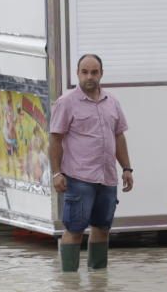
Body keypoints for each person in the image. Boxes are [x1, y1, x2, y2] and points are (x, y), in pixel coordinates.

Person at [49, 53, 133, 272]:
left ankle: (98, 282)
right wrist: (57, 173)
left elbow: (119, 136)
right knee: (74, 229)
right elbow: (55, 139)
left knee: (102, 228)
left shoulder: (112, 102)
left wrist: (127, 168)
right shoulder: (66, 102)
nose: (89, 77)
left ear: (101, 74)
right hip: (79, 177)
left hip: (107, 177)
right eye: (85, 72)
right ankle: (70, 285)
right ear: (77, 74)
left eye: (94, 72)